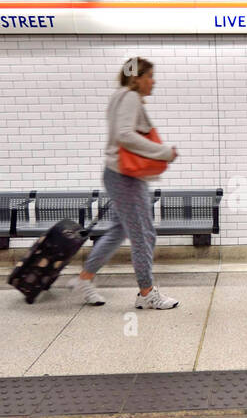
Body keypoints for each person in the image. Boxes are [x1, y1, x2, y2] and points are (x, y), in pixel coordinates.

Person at [67, 58, 180, 309]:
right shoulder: (129, 97)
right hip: (125, 177)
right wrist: (163, 152)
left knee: (119, 230)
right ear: (136, 78)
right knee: (143, 234)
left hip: (118, 175)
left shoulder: (119, 96)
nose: (154, 81)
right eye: (150, 76)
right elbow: (125, 135)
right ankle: (146, 293)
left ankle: (85, 279)